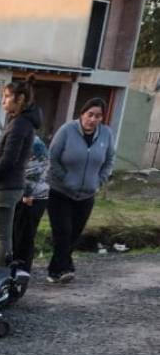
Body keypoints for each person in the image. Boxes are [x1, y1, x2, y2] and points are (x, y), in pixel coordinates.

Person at [46, 97, 115, 284]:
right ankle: (66, 268)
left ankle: (54, 270)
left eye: (98, 116)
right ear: (82, 114)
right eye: (90, 114)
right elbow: (52, 158)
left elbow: (109, 160)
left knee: (74, 234)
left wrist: (99, 180)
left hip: (87, 194)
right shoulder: (67, 131)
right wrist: (66, 178)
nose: (93, 119)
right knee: (63, 231)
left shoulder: (106, 134)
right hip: (60, 192)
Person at [0, 76, 43, 268]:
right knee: (5, 235)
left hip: (8, 186)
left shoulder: (19, 124)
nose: (3, 101)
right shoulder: (20, 122)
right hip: (12, 185)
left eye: (7, 97)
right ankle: (3, 274)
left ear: (20, 99)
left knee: (3, 237)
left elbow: (9, 159)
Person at [10, 136, 50, 273]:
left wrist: (27, 194)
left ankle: (22, 271)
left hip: (33, 196)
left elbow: (36, 171)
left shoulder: (34, 143)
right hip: (20, 193)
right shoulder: (20, 138)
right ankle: (14, 267)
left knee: (24, 234)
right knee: (15, 233)